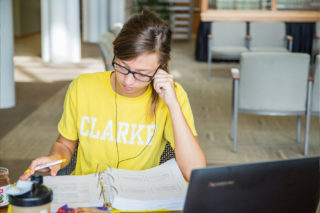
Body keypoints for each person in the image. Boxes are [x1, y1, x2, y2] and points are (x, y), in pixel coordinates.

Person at [20, 10, 206, 181]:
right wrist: (55, 159)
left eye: (142, 73)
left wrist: (172, 104)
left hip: (139, 200)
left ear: (161, 68)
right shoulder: (83, 87)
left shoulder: (172, 96)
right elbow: (65, 144)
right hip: (86, 199)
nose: (128, 81)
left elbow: (193, 170)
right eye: (122, 67)